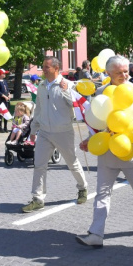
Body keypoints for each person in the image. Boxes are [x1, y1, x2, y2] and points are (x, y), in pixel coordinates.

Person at [76, 55, 133, 247]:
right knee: (102, 193)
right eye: (119, 72)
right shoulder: (101, 92)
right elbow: (97, 122)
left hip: (130, 150)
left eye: (126, 71)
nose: (124, 75)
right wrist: (90, 140)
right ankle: (96, 233)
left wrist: (123, 129)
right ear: (108, 73)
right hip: (107, 152)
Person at [21, 56, 88, 212]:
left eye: (46, 67)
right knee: (39, 165)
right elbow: (38, 109)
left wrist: (66, 91)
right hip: (45, 132)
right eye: (43, 66)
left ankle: (82, 187)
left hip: (63, 131)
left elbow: (74, 105)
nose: (43, 70)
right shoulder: (42, 85)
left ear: (56, 68)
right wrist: (33, 129)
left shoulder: (68, 84)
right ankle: (38, 198)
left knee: (72, 162)